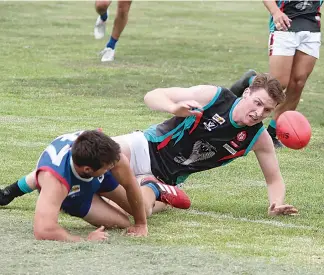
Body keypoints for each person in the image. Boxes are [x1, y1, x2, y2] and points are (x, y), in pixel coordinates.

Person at [1, 74, 297, 217]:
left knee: (138, 212)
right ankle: (12, 190)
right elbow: (151, 95)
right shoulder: (213, 97)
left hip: (167, 177)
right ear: (246, 93)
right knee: (88, 155)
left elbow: (273, 176)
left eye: (267, 110)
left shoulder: (257, 138)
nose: (259, 113)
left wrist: (276, 202)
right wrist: (174, 107)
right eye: (257, 103)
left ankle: (155, 189)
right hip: (144, 146)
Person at [3, 130, 150, 241]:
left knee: (143, 209)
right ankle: (12, 191)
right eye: (108, 166)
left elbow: (130, 185)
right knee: (123, 222)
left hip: (92, 174)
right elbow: (43, 230)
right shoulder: (56, 180)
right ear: (87, 169)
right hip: (72, 193)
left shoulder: (105, 153)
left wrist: (141, 224)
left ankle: (156, 189)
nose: (114, 165)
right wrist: (85, 240)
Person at [260, 0, 324, 147]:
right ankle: (249, 85)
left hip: (311, 28)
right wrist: (275, 12)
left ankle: (273, 133)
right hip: (284, 26)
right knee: (278, 84)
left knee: (298, 82)